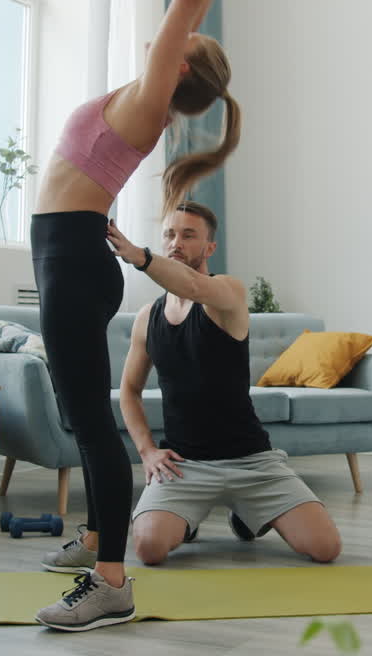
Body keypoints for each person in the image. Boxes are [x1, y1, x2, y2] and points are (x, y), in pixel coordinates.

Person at [30, 0, 269, 633]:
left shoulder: (147, 99)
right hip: (67, 256)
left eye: (180, 37)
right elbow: (192, 3)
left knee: (94, 427)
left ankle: (109, 584)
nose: (175, 31)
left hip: (73, 259)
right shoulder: (143, 99)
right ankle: (102, 539)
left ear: (181, 61)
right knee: (83, 418)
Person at [106, 201, 342, 567]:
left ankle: (247, 512)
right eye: (170, 234)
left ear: (210, 247)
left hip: (253, 462)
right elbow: (130, 392)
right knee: (149, 548)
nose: (176, 243)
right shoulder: (146, 318)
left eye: (188, 235)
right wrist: (147, 451)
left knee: (325, 548)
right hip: (185, 465)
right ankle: (188, 519)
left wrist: (140, 256)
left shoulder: (227, 293)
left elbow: (193, 286)